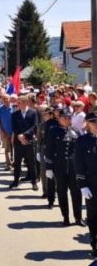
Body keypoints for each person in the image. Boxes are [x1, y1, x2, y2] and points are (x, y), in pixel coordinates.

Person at [46, 107, 83, 226]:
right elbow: (49, 150)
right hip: (59, 167)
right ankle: (65, 217)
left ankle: (78, 218)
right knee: (62, 192)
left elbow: (80, 151)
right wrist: (49, 167)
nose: (68, 120)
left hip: (73, 168)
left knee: (76, 193)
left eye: (69, 118)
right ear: (59, 118)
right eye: (65, 118)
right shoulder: (53, 130)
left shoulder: (76, 131)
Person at [76, 112, 97, 257]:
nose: (96, 124)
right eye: (93, 122)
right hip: (92, 185)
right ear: (88, 123)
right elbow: (78, 164)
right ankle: (95, 246)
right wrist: (82, 185)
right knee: (93, 217)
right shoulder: (82, 141)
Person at [11, 94, 39, 190]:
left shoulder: (33, 113)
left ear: (25, 103)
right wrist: (19, 136)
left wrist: (24, 135)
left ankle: (34, 182)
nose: (17, 104)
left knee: (32, 162)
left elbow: (34, 126)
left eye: (19, 103)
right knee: (17, 162)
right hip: (18, 141)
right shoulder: (15, 114)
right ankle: (15, 181)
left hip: (29, 140)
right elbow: (14, 127)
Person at [0, 94, 14, 169]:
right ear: (2, 100)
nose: (6, 100)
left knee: (14, 148)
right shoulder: (0, 109)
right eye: (4, 99)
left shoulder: (14, 107)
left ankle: (14, 162)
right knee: (7, 149)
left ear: (10, 99)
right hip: (5, 131)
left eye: (7, 98)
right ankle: (8, 164)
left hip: (14, 131)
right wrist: (1, 131)